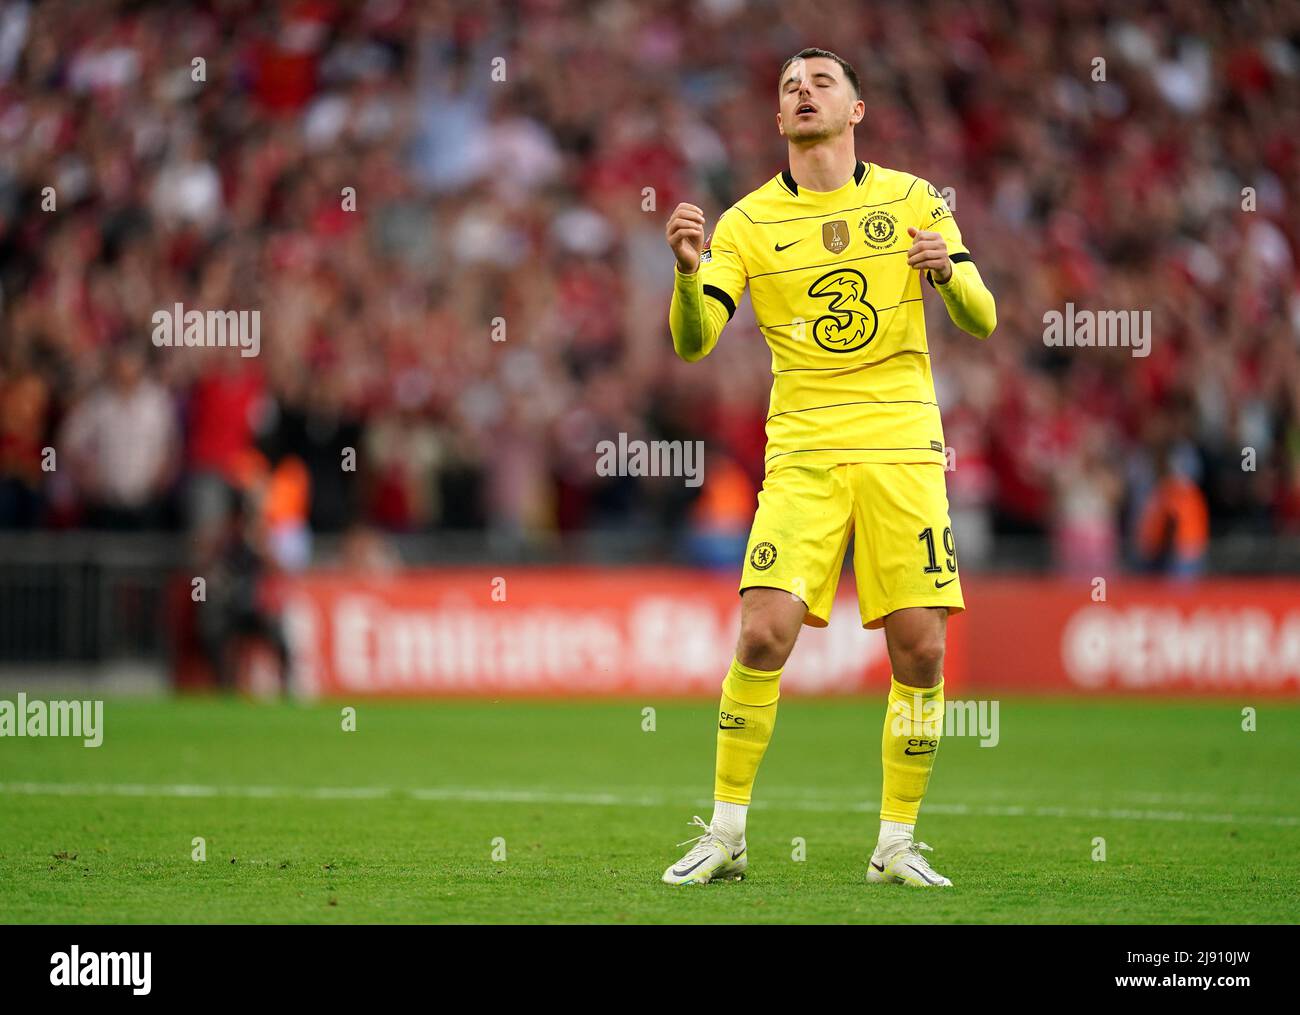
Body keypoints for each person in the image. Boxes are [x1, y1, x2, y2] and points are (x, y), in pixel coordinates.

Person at [662, 49, 996, 888]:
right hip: (805, 452)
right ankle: (728, 831)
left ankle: (895, 842)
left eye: (820, 83)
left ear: (857, 110)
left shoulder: (917, 200)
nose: (802, 93)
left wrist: (948, 272)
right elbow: (693, 340)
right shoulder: (744, 223)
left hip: (903, 449)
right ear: (778, 120)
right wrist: (687, 273)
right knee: (763, 630)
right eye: (787, 87)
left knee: (919, 651)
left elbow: (984, 319)